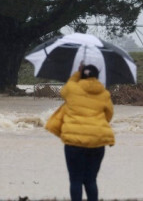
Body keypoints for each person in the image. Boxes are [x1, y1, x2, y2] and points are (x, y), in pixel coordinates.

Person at [45, 64, 114, 201]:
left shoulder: (72, 89)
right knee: (91, 180)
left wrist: (77, 73)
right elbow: (109, 115)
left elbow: (64, 90)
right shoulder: (104, 93)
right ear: (97, 76)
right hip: (97, 143)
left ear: (81, 75)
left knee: (75, 180)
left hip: (74, 143)